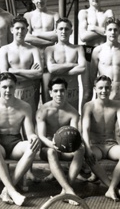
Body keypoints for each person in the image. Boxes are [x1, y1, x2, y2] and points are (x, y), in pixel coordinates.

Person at [0, 72, 41, 206]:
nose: (7, 90)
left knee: (32, 146)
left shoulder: (25, 107)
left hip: (15, 142)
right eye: (4, 87)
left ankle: (7, 189)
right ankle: (12, 190)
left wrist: (33, 137)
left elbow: (30, 132)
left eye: (11, 87)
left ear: (15, 87)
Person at [82, 75, 120, 202]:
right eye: (101, 88)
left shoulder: (117, 105)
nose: (104, 91)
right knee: (90, 157)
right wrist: (88, 148)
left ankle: (111, 188)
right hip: (96, 145)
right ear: (95, 89)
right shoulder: (89, 106)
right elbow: (85, 130)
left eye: (107, 88)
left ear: (111, 89)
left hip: (111, 144)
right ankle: (113, 188)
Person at [36, 77, 85, 206]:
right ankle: (69, 191)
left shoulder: (73, 112)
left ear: (66, 91)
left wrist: (71, 145)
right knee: (52, 152)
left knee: (81, 149)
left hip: (65, 149)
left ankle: (65, 189)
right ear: (50, 93)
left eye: (62, 90)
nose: (59, 94)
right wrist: (52, 144)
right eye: (56, 91)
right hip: (48, 148)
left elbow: (74, 134)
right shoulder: (43, 110)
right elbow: (41, 135)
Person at [78, 0, 115, 108]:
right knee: (88, 92)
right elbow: (83, 36)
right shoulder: (84, 13)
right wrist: (103, 31)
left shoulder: (108, 13)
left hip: (105, 50)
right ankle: (83, 124)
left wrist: (93, 27)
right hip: (88, 51)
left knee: (105, 90)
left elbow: (110, 33)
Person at [0, 16, 43, 119]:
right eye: (17, 28)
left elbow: (39, 73)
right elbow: (4, 76)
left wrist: (15, 71)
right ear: (11, 30)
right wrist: (30, 73)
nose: (20, 31)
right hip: (12, 90)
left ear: (27, 30)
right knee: (12, 120)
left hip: (29, 91)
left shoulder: (33, 49)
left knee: (30, 120)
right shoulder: (4, 49)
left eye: (23, 28)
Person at [24, 0, 59, 104]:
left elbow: (57, 35)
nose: (40, 0)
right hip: (34, 61)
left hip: (49, 61)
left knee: (48, 96)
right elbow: (27, 37)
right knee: (32, 98)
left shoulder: (54, 15)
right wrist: (49, 41)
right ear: (33, 0)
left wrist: (36, 34)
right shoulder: (28, 16)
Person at [45, 17, 86, 110]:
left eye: (66, 29)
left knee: (72, 115)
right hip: (57, 90)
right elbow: (51, 69)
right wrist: (72, 65)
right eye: (61, 29)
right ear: (56, 31)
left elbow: (83, 68)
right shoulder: (50, 49)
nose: (63, 31)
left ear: (71, 31)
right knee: (56, 117)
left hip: (72, 89)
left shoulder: (78, 48)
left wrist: (59, 71)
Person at [90, 18, 120, 101]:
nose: (113, 32)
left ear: (119, 32)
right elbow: (92, 75)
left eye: (115, 30)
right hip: (104, 88)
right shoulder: (98, 50)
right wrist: (99, 88)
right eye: (110, 29)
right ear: (105, 32)